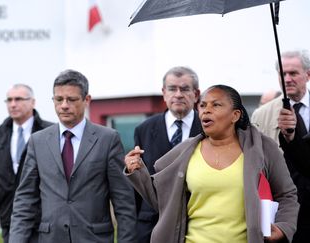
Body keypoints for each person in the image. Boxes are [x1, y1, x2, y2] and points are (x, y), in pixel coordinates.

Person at [125, 84, 298, 243]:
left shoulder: (262, 148)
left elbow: (287, 194)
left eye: (216, 105)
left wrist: (284, 226)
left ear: (235, 115)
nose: (206, 111)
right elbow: (162, 200)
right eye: (202, 105)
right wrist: (137, 171)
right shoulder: (185, 151)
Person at [9, 69, 137, 243]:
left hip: (93, 238)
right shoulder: (38, 141)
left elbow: (123, 201)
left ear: (87, 100)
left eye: (71, 99)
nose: (64, 105)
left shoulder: (107, 139)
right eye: (59, 99)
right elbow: (25, 199)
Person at [132, 66, 202, 243]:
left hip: (196, 224)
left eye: (185, 89)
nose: (178, 94)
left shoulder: (208, 127)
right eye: (172, 89)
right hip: (152, 226)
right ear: (164, 93)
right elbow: (138, 188)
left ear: (196, 93)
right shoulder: (144, 129)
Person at [252, 50, 310, 242]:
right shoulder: (262, 115)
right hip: (281, 208)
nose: (287, 79)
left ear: (308, 75)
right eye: (283, 74)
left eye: (293, 73)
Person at [0, 84, 53, 243]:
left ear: (33, 102)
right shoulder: (0, 135)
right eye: (9, 100)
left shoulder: (49, 132)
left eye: (18, 99)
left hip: (43, 220)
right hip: (10, 218)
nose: (13, 104)